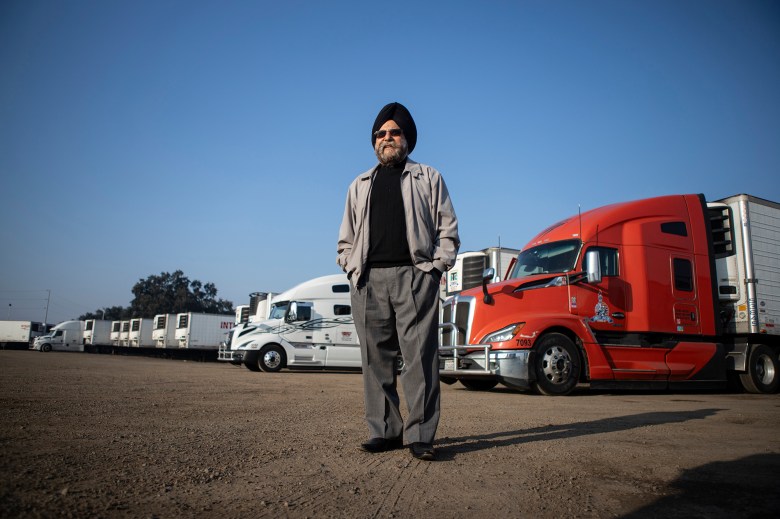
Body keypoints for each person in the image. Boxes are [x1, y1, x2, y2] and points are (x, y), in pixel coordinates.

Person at [337, 102, 460, 461]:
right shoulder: (359, 185)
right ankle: (386, 431)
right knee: (375, 360)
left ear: (407, 139)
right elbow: (345, 240)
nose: (386, 139)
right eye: (380, 134)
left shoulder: (429, 178)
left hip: (415, 277)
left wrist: (436, 269)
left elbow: (447, 229)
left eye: (394, 132)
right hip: (368, 281)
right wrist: (350, 268)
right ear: (374, 141)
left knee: (419, 359)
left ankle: (420, 435)